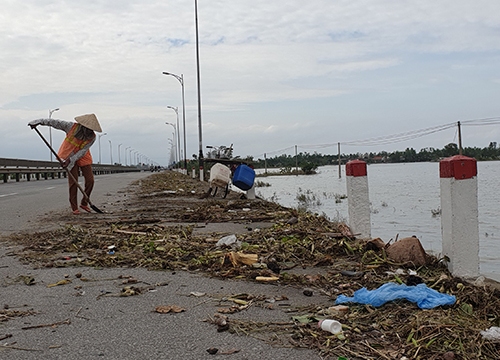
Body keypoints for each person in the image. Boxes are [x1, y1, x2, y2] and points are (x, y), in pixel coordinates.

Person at [28, 114, 103, 215]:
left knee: (90, 180)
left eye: (91, 129)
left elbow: (83, 151)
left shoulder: (92, 137)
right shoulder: (70, 126)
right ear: (83, 125)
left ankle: (84, 203)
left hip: (82, 155)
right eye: (88, 128)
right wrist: (38, 122)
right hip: (68, 154)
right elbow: (54, 122)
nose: (90, 131)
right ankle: (74, 207)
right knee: (73, 182)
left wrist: (72, 159)